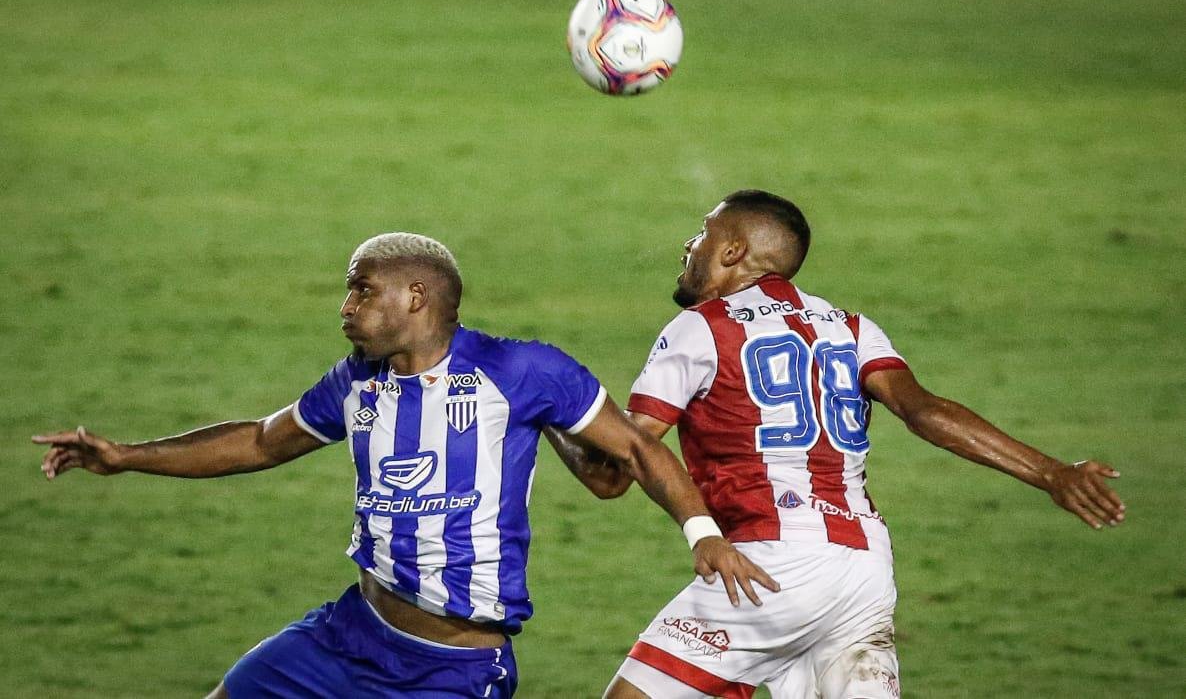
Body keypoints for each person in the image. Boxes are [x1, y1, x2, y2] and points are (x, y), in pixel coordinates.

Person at [33, 231, 778, 699]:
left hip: (450, 669)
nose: (345, 305)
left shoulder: (520, 371)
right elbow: (262, 441)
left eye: (362, 287)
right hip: (347, 635)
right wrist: (126, 455)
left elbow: (635, 450)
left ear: (416, 296)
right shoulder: (354, 379)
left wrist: (701, 530)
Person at [548, 190, 1126, 699]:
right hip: (862, 572)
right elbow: (922, 410)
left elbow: (616, 471)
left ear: (731, 253)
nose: (690, 245)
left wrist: (544, 408)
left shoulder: (703, 328)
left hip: (770, 569)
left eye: (704, 233)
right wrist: (1051, 472)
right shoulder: (850, 327)